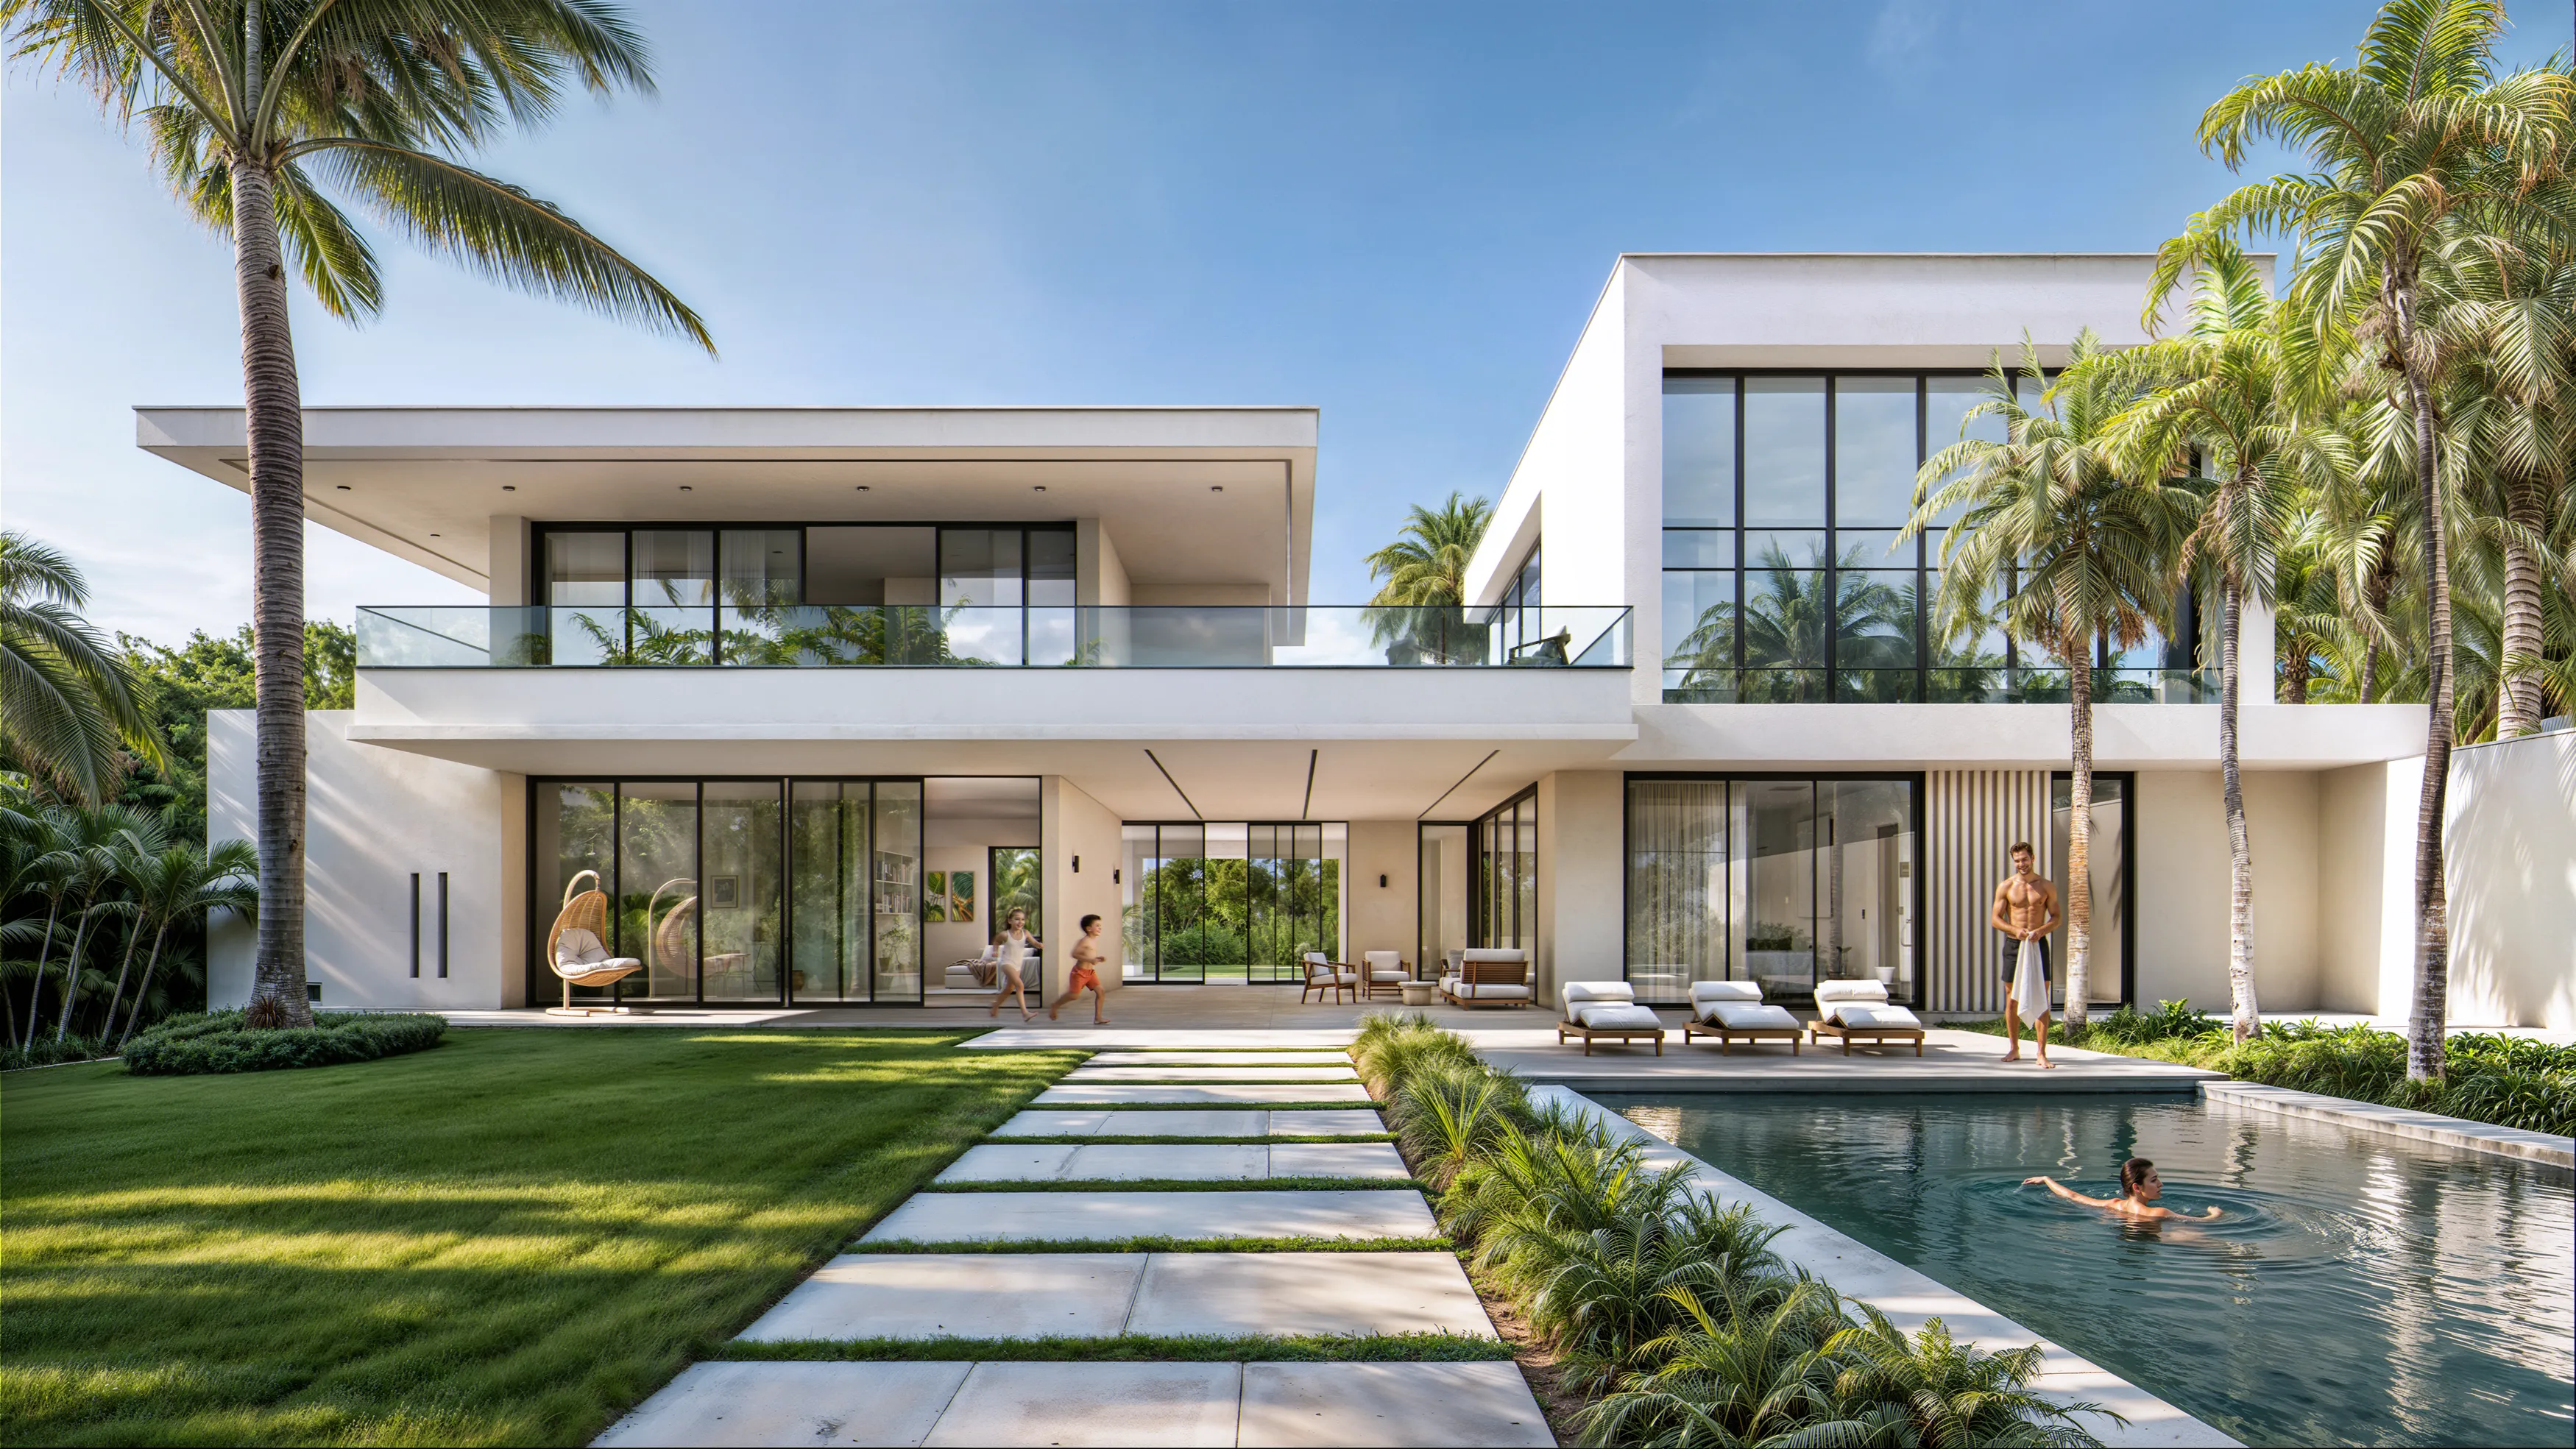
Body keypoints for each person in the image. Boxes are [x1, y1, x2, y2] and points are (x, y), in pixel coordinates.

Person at [1989, 841, 2062, 1067]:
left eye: (2024, 859)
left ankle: (2041, 1053)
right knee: (2012, 998)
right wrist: (2015, 930)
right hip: (2014, 945)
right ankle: (2014, 1048)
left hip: (2038, 945)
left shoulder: (2046, 886)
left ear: (2033, 858)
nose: (2021, 864)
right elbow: (1996, 919)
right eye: (2017, 860)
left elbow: (2057, 917)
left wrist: (2041, 931)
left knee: (2042, 996)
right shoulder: (2006, 886)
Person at [2024, 1157, 2221, 1222]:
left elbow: (2073, 1196)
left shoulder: (2114, 1205)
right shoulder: (2159, 1213)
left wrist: (2047, 1180)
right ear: (2137, 1187)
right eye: (2154, 1180)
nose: (2160, 1184)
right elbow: (2203, 1222)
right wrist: (2215, 1213)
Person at [1048, 913, 1111, 1024]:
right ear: (1089, 928)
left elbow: (1089, 955)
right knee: (1074, 996)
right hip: (1079, 973)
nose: (1100, 928)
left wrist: (1097, 958)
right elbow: (1074, 954)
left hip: (1090, 973)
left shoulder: (1094, 940)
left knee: (1101, 991)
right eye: (1097, 925)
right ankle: (1055, 1005)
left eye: (1100, 925)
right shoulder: (1084, 941)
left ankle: (1098, 1018)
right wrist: (1090, 960)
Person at [987, 907, 1039, 1021]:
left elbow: (1034, 942)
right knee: (1020, 985)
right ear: (1010, 921)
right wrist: (995, 950)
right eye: (1017, 919)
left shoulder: (1025, 933)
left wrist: (1039, 945)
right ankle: (1025, 1013)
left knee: (1008, 989)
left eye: (1022, 919)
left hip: (1017, 965)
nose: (1020, 922)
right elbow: (996, 941)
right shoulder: (1005, 935)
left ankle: (995, 1005)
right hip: (1007, 964)